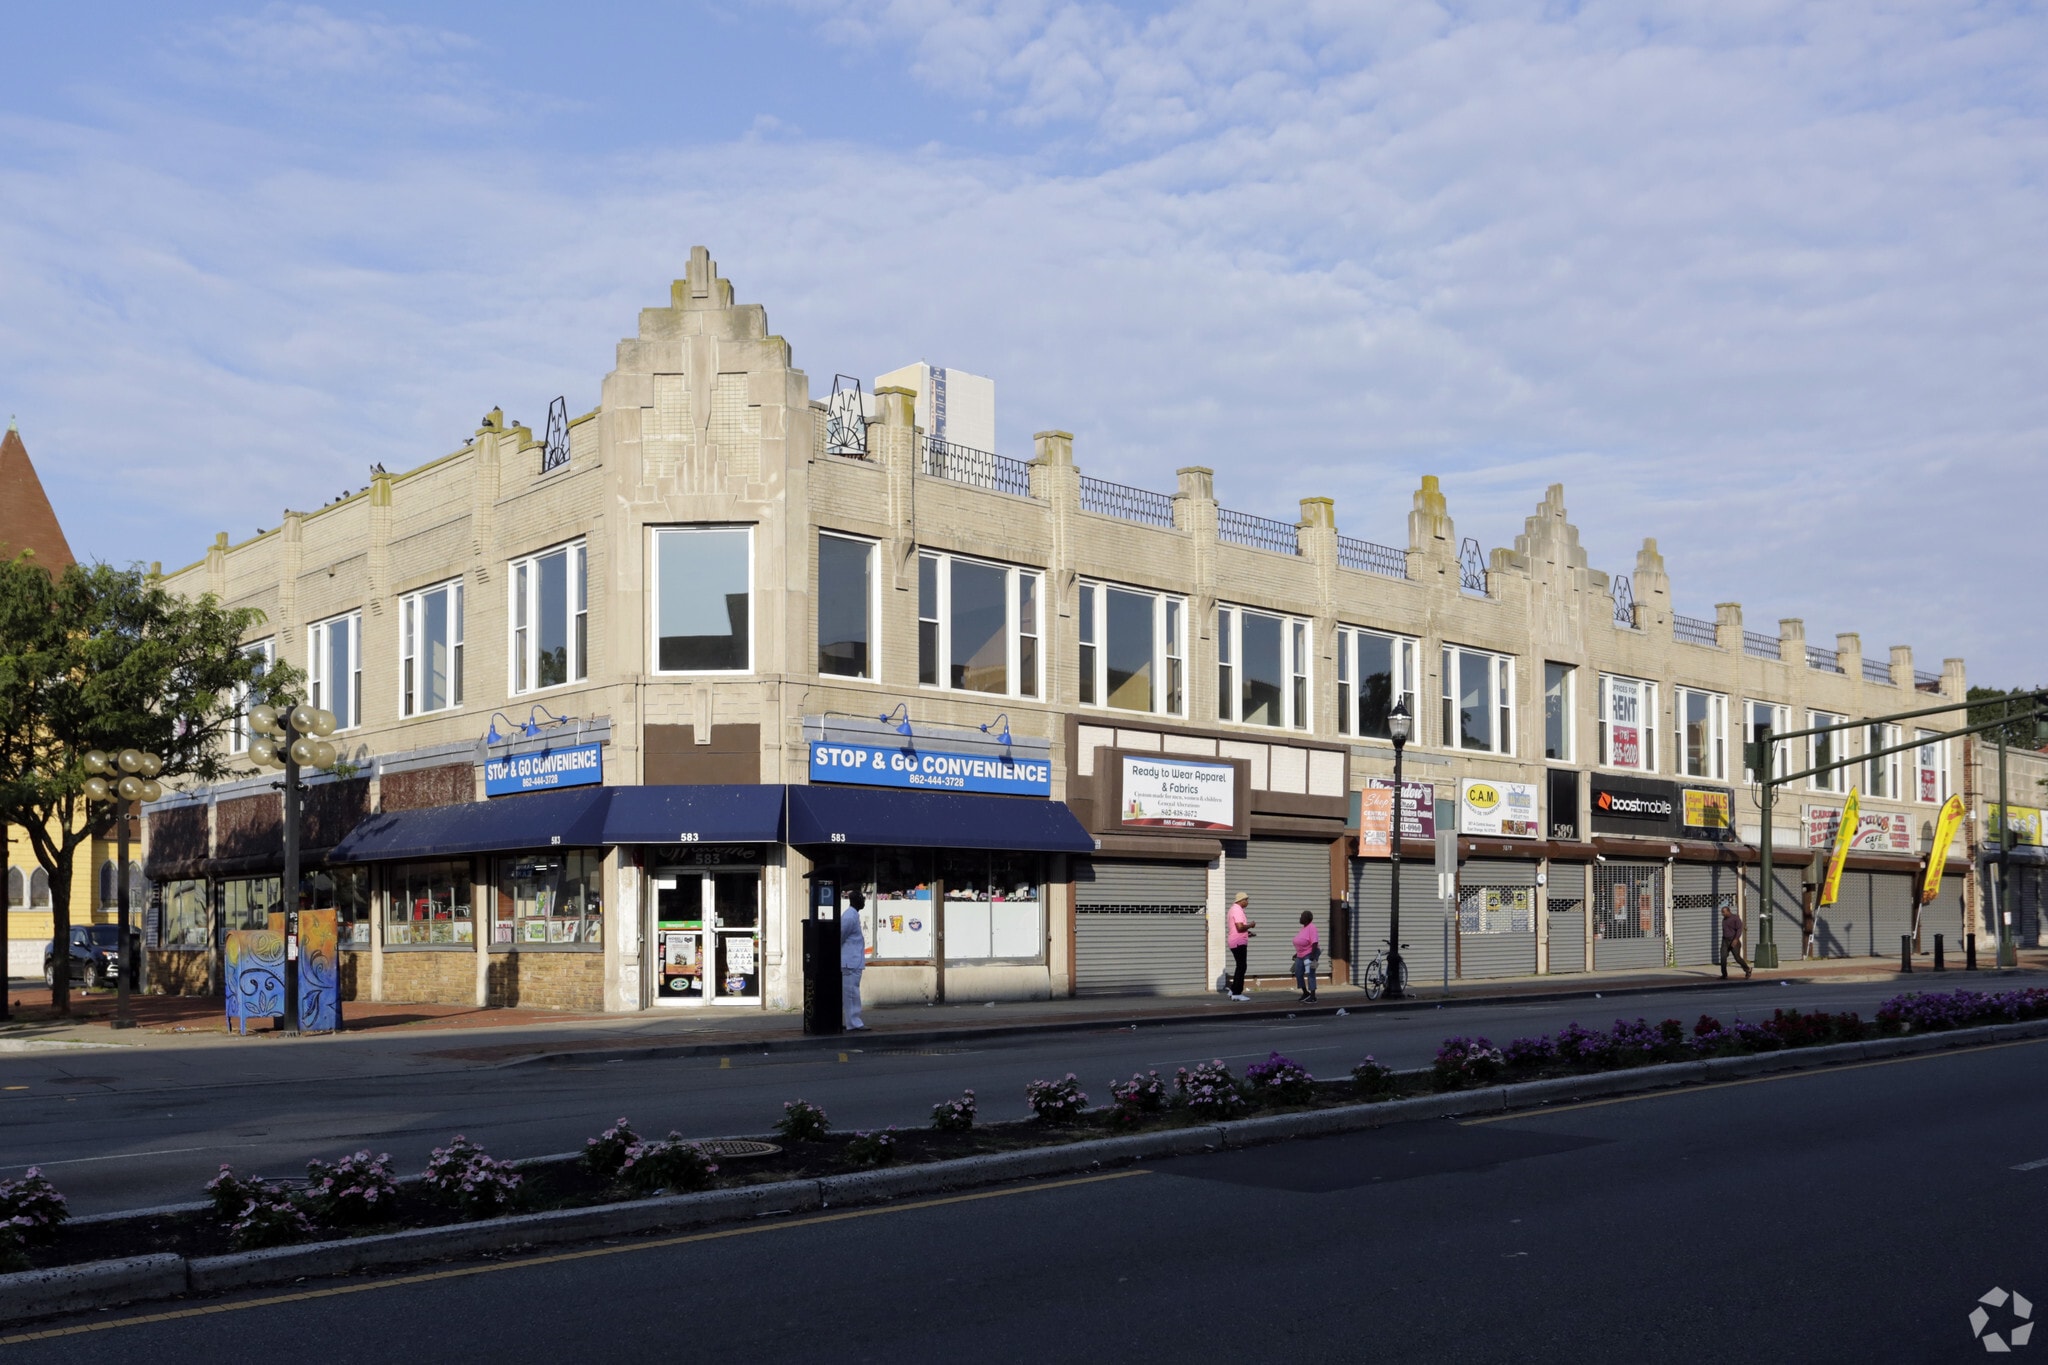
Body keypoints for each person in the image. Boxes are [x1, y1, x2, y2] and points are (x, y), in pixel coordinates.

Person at [841, 889, 868, 1029]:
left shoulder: (853, 915)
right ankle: (854, 1023)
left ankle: (853, 1021)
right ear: (855, 900)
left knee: (852, 992)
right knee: (851, 993)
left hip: (853, 961)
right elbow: (840, 936)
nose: (864, 901)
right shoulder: (849, 917)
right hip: (850, 962)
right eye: (861, 898)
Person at [1226, 892, 1256, 1001]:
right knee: (1242, 967)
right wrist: (1250, 925)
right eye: (1246, 900)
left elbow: (1237, 929)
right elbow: (1239, 927)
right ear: (1241, 900)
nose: (1247, 902)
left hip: (1235, 941)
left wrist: (1247, 933)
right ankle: (1237, 993)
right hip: (1238, 942)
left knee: (1240, 966)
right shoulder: (1237, 910)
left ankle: (1233, 990)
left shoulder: (1233, 909)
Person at [1292, 910, 1320, 1003]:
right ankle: (1305, 993)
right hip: (1300, 955)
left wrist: (1313, 955)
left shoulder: (1312, 927)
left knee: (1310, 974)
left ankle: (1313, 996)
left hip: (1311, 954)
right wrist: (1296, 953)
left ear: (1307, 918)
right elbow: (1302, 942)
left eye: (1302, 916)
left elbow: (1315, 942)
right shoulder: (1304, 928)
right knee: (1298, 973)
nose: (1300, 918)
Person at [1720, 899, 1752, 979]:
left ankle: (1747, 969)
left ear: (1728, 911)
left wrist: (1735, 939)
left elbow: (1739, 929)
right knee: (1723, 957)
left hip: (1734, 941)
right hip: (1725, 941)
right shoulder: (1724, 919)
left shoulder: (1735, 918)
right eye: (1722, 912)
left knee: (1737, 958)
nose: (1722, 914)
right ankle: (1724, 975)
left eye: (1724, 912)